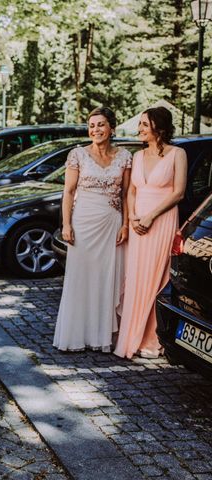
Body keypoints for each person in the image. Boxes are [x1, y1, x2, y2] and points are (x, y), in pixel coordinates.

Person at [53, 107, 132, 352]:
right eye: (92, 125)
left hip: (111, 224)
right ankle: (76, 335)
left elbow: (127, 194)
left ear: (111, 128)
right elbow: (67, 192)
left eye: (101, 125)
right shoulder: (78, 155)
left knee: (105, 280)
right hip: (83, 224)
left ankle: (101, 336)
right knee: (80, 278)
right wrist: (66, 224)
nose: (95, 130)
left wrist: (126, 224)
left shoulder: (124, 156)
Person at [114, 107, 187, 359]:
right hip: (138, 224)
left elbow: (178, 193)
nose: (140, 129)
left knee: (157, 278)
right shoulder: (138, 156)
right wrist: (134, 216)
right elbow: (132, 191)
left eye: (144, 124)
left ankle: (152, 338)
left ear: (159, 127)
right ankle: (131, 335)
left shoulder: (178, 154)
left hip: (162, 219)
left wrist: (150, 216)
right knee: (136, 278)